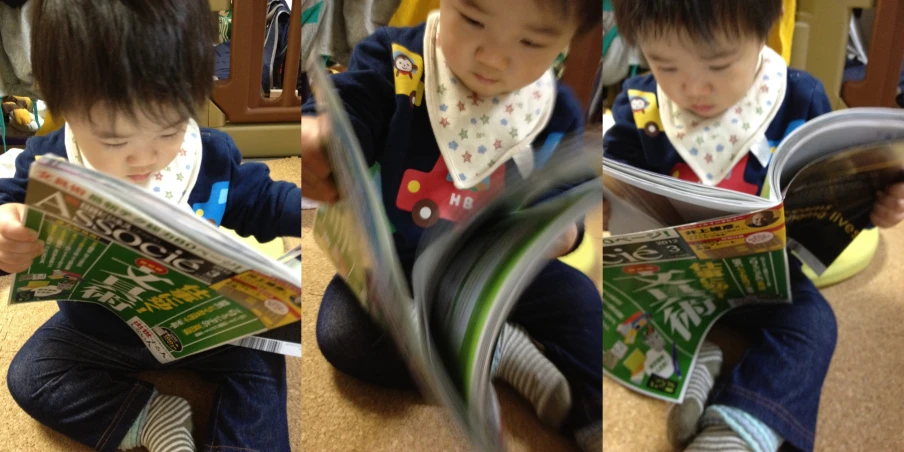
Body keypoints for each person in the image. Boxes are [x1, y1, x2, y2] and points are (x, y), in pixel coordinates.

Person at [301, 0, 602, 449]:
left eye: (531, 41)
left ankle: (591, 412)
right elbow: (350, 110)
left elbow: (567, 196)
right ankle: (499, 354)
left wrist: (564, 232)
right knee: (341, 334)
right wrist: (320, 137)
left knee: (585, 306)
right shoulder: (395, 59)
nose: (494, 58)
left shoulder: (554, 110)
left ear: (568, 42)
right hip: (399, 271)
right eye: (474, 20)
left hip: (500, 275)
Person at [0, 1, 301, 451]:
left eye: (169, 128)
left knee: (265, 357)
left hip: (207, 329)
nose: (146, 157)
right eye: (114, 140)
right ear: (63, 107)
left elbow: (261, 201)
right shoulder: (48, 161)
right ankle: (151, 414)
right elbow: (8, 205)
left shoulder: (211, 154)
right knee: (30, 374)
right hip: (100, 334)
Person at [605, 1, 904, 451]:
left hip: (768, 277)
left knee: (815, 325)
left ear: (765, 32)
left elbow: (833, 201)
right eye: (665, 65)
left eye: (720, 64)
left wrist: (876, 210)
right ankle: (697, 362)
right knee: (606, 300)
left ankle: (740, 425)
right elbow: (615, 179)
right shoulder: (641, 104)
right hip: (675, 276)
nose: (693, 88)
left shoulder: (800, 98)